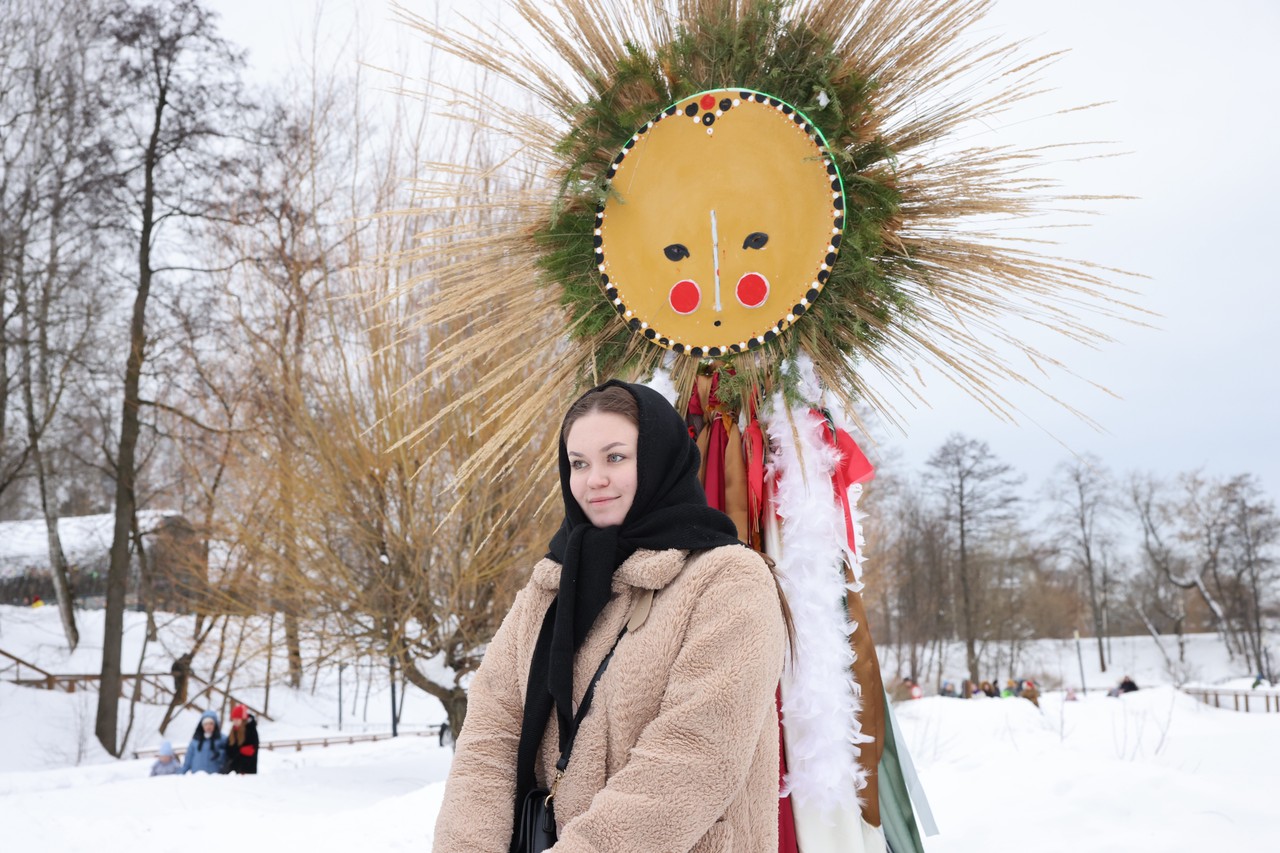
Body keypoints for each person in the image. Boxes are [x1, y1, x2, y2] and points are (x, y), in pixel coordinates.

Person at [432, 380, 788, 851]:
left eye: (615, 457)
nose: (592, 479)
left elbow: (693, 759)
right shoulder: (552, 582)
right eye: (578, 463)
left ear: (660, 458)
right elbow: (490, 734)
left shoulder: (727, 579)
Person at [182, 710, 227, 774]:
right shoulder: (195, 740)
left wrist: (219, 754)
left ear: (215, 724)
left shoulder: (222, 739)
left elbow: (227, 758)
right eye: (206, 724)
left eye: (211, 724)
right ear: (202, 725)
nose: (208, 726)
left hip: (215, 777)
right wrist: (180, 774)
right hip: (197, 777)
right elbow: (188, 760)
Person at [224, 704, 259, 774]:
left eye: (237, 719)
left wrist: (239, 751)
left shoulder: (251, 730)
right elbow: (229, 749)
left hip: (246, 771)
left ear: (243, 719)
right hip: (232, 771)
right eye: (234, 719)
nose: (235, 721)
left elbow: (251, 750)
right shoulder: (233, 731)